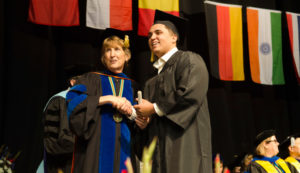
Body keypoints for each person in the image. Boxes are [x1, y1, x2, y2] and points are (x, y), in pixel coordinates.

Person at [133, 10, 212, 173]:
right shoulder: (151, 82)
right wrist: (143, 124)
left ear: (174, 37)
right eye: (149, 35)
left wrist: (154, 108)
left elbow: (189, 94)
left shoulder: (189, 60)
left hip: (186, 146)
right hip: (159, 155)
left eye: (158, 32)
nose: (152, 37)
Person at [66, 35, 141, 173]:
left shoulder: (133, 86)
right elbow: (72, 103)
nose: (112, 54)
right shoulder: (90, 79)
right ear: (103, 58)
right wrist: (107, 99)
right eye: (108, 50)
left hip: (124, 151)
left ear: (126, 55)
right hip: (94, 151)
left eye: (117, 49)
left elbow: (141, 125)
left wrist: (131, 113)